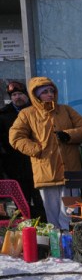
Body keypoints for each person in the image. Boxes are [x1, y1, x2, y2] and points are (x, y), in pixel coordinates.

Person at [9, 77, 82, 229]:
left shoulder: (66, 110)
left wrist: (69, 135)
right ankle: (58, 245)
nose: (50, 94)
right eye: (45, 92)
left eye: (51, 91)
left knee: (72, 213)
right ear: (36, 95)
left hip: (70, 173)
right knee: (52, 216)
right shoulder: (27, 114)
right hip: (46, 172)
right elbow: (15, 137)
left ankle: (75, 242)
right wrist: (37, 150)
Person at [0, 81, 45, 220]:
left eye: (20, 94)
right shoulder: (3, 115)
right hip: (14, 164)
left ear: (27, 95)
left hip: (37, 161)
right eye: (14, 95)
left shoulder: (37, 110)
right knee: (20, 200)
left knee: (39, 199)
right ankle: (24, 228)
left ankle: (43, 225)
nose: (17, 97)